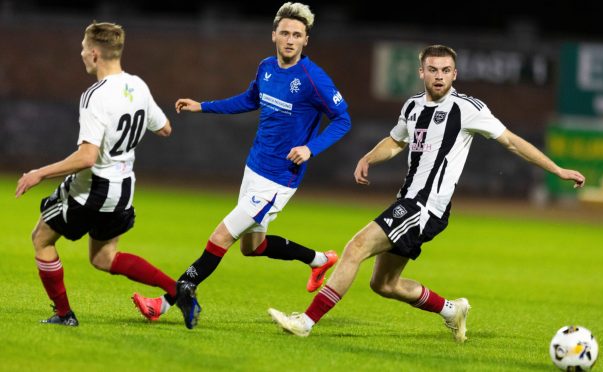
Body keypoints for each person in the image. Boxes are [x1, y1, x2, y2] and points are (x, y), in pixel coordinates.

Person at [267, 44, 586, 342]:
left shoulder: (467, 108)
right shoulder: (413, 106)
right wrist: (368, 158)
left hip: (425, 206)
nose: (439, 76)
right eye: (433, 69)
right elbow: (396, 141)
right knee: (384, 284)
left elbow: (512, 141)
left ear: (455, 74)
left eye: (446, 70)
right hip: (409, 201)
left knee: (356, 247)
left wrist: (556, 170)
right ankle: (451, 309)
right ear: (421, 72)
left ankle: (305, 323)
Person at [132, 2, 351, 329]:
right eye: (285, 33)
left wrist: (310, 148)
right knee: (253, 246)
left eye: (298, 35)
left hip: (278, 180)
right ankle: (320, 260)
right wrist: (202, 106)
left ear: (306, 40)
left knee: (221, 236)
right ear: (274, 35)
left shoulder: (313, 78)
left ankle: (165, 302)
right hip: (255, 167)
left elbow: (342, 119)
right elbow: (249, 99)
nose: (290, 39)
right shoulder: (266, 67)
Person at [15, 21, 180, 326]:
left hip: (96, 188)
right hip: (125, 187)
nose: (80, 53)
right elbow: (166, 128)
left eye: (82, 48)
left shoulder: (96, 95)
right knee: (103, 258)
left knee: (41, 238)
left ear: (93, 54)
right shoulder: (138, 85)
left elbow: (88, 157)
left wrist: (39, 173)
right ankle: (175, 289)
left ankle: (64, 314)